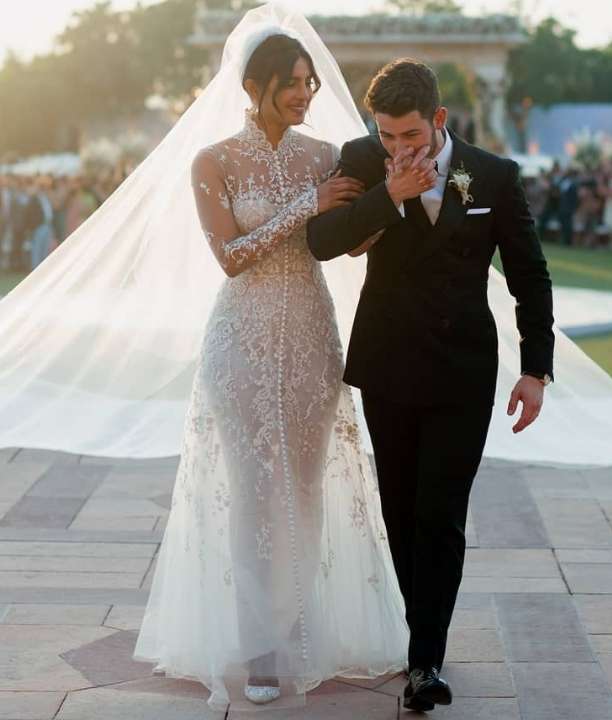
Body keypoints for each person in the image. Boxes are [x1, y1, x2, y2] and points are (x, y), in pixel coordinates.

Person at [133, 24, 409, 710]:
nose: (303, 93)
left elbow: (342, 245)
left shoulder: (327, 155)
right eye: (290, 82)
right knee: (254, 495)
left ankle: (296, 623)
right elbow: (231, 256)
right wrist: (303, 207)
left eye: (308, 81)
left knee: (308, 488)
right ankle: (258, 647)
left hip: (313, 341)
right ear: (253, 87)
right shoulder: (213, 162)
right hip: (241, 343)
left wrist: (387, 203)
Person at [306, 58, 554, 713]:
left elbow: (530, 274)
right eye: (386, 135)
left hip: (463, 370)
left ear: (438, 120)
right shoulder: (361, 159)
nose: (397, 148)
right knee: (400, 513)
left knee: (440, 516)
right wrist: (387, 194)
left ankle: (425, 662)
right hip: (387, 363)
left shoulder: (493, 175)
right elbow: (322, 241)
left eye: (409, 136)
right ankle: (422, 645)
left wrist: (535, 369)